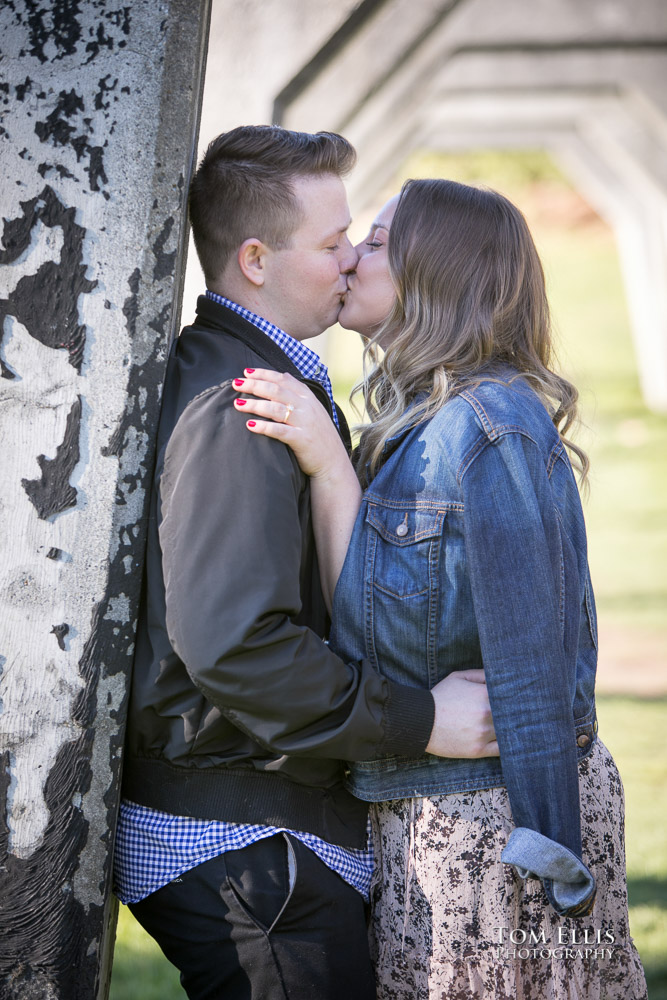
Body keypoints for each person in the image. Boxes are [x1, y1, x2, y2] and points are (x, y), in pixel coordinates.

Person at [234, 178, 648, 999]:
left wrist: (546, 850)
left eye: (380, 241)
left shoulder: (489, 426)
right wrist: (324, 456)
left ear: (438, 273)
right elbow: (367, 607)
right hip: (420, 807)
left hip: (498, 820)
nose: (352, 256)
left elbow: (531, 657)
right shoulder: (415, 421)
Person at [113, 129, 499, 1000]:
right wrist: (416, 721)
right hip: (241, 844)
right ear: (255, 258)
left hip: (267, 826)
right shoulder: (238, 404)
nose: (349, 263)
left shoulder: (268, 381)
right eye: (332, 244)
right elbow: (234, 647)